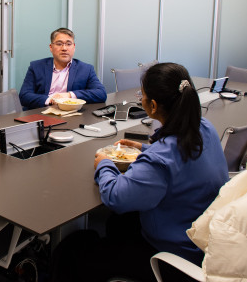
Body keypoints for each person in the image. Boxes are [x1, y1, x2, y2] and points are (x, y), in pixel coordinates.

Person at [51, 62, 229, 282]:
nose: (140, 99)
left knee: (72, 251)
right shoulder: (204, 128)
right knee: (118, 223)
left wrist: (105, 164)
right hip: (202, 235)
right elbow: (176, 155)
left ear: (152, 106)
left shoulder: (160, 158)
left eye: (141, 95)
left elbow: (117, 197)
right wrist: (144, 149)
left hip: (174, 256)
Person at [19, 27, 107, 109]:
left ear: (74, 47)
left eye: (68, 44)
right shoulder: (36, 67)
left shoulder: (86, 69)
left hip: (71, 115)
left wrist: (69, 95)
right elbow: (24, 96)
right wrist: (51, 100)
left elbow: (101, 94)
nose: (64, 48)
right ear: (51, 47)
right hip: (41, 114)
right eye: (59, 44)